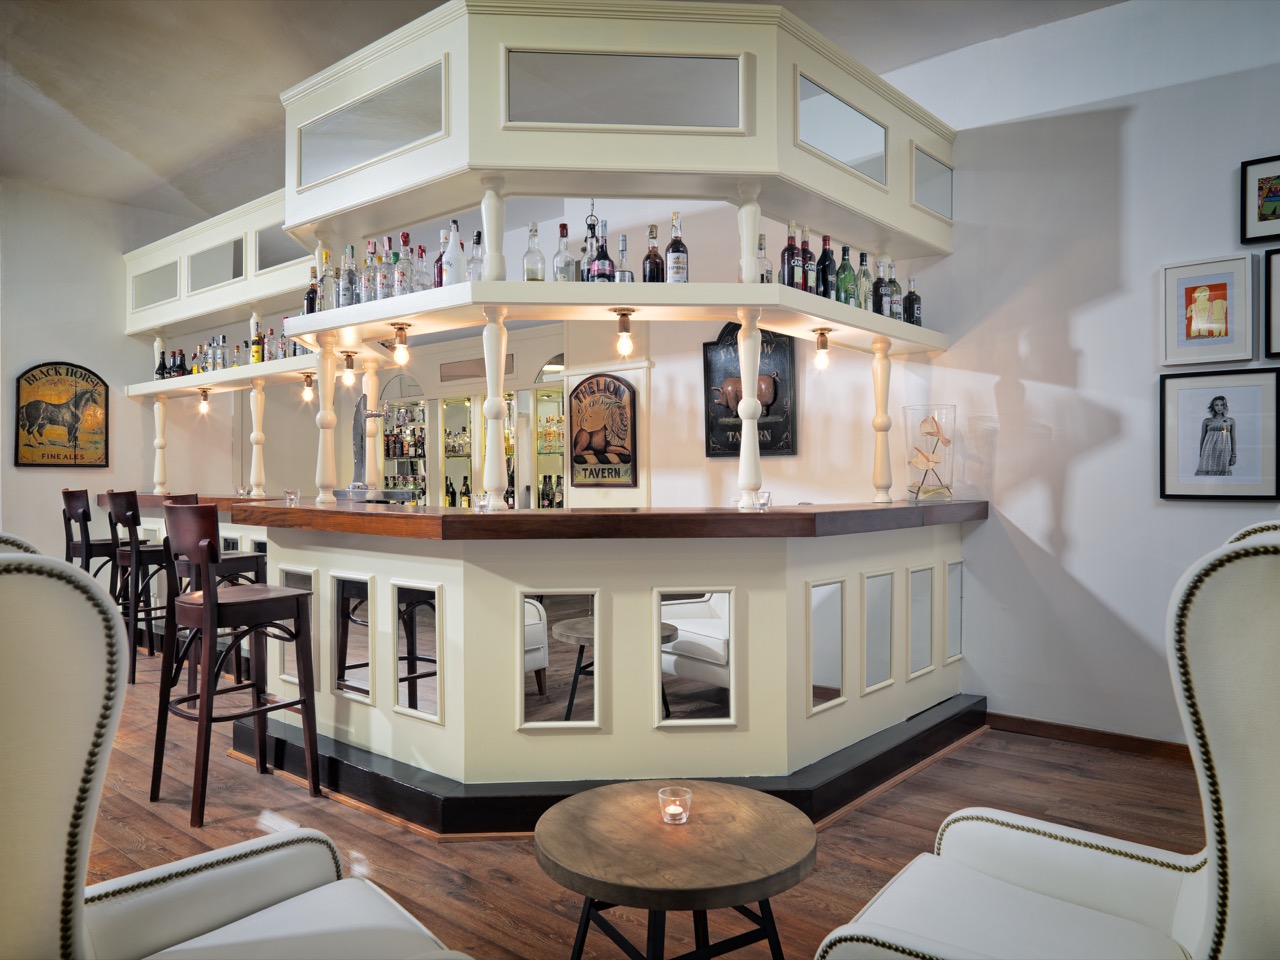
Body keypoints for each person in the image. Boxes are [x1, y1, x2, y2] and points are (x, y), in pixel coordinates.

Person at [1195, 395, 1235, 476]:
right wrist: (1201, 454)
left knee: (1223, 477)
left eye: (1222, 405)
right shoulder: (1207, 421)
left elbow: (1233, 438)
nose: (1219, 407)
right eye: (1216, 405)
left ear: (1225, 406)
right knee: (1206, 476)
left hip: (1224, 452)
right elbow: (1202, 438)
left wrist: (1234, 455)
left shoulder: (1230, 421)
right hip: (1208, 452)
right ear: (1213, 406)